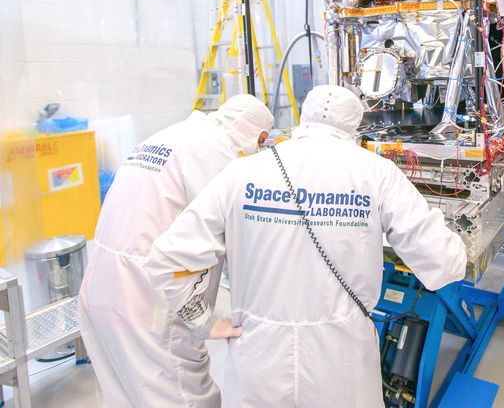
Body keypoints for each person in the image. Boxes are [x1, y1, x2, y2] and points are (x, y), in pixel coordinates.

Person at [145, 84, 468, 408]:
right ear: (354, 125)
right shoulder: (376, 173)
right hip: (341, 365)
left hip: (258, 363)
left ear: (304, 117)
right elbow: (444, 262)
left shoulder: (241, 173)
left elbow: (165, 260)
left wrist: (203, 322)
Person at [78, 94, 274, 408]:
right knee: (182, 396)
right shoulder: (215, 150)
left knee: (125, 396)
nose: (259, 148)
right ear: (254, 133)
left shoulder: (172, 135)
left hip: (100, 285)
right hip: (146, 298)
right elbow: (232, 230)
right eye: (262, 141)